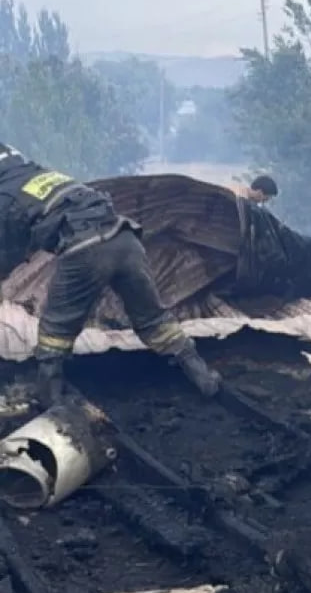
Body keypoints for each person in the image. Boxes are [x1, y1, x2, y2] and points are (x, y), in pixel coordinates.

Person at [0, 143, 222, 405]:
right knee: (153, 319)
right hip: (125, 239)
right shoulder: (36, 176)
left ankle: (49, 397)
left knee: (55, 330)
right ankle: (202, 376)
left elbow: (9, 250)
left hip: (85, 249)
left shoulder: (6, 196)